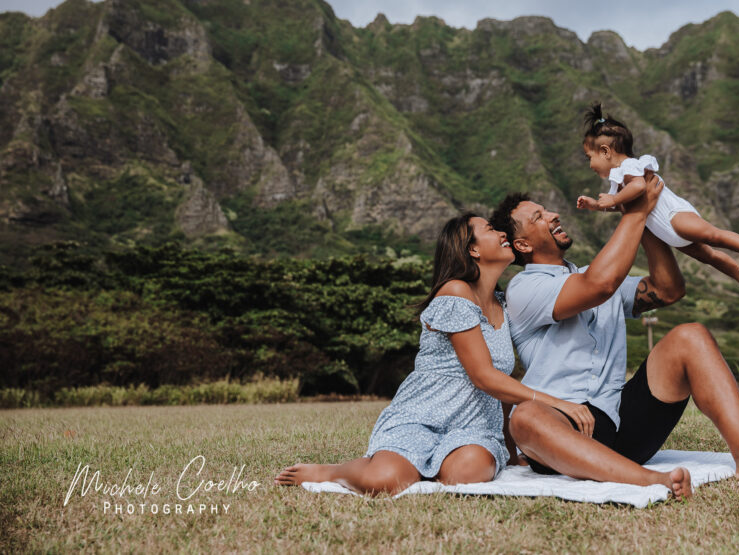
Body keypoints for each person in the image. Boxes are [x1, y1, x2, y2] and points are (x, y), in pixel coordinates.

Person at [274, 213, 689, 498]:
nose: (501, 233)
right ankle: (334, 471)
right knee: (387, 480)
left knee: (467, 476)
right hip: (424, 414)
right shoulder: (455, 293)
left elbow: (506, 386)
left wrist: (518, 441)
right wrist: (558, 404)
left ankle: (429, 464)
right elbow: (484, 377)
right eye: (490, 230)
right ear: (472, 249)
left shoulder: (507, 306)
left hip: (475, 425)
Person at [489, 180, 739, 487]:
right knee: (525, 417)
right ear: (523, 245)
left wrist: (649, 217)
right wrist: (635, 213)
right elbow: (600, 286)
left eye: (546, 210)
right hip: (561, 427)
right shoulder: (524, 288)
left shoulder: (590, 273)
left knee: (690, 336)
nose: (552, 215)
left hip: (619, 422)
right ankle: (649, 480)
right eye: (538, 217)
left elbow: (667, 290)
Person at [575, 103, 739, 300]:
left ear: (605, 151)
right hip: (666, 231)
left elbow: (638, 187)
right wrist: (597, 204)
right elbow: (622, 205)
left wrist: (613, 198)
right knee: (707, 255)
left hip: (674, 216)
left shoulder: (630, 167)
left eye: (589, 157)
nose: (590, 164)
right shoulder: (618, 180)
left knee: (713, 235)